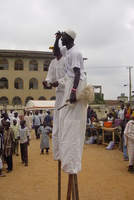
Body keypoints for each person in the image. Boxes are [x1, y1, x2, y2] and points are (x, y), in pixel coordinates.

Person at [54, 29, 87, 174]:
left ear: (71, 39)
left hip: (77, 82)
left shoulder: (75, 53)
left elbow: (78, 73)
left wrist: (74, 92)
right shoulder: (66, 49)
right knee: (63, 118)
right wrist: (56, 38)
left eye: (63, 37)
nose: (62, 39)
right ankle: (63, 154)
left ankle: (72, 162)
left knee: (72, 120)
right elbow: (56, 53)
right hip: (70, 80)